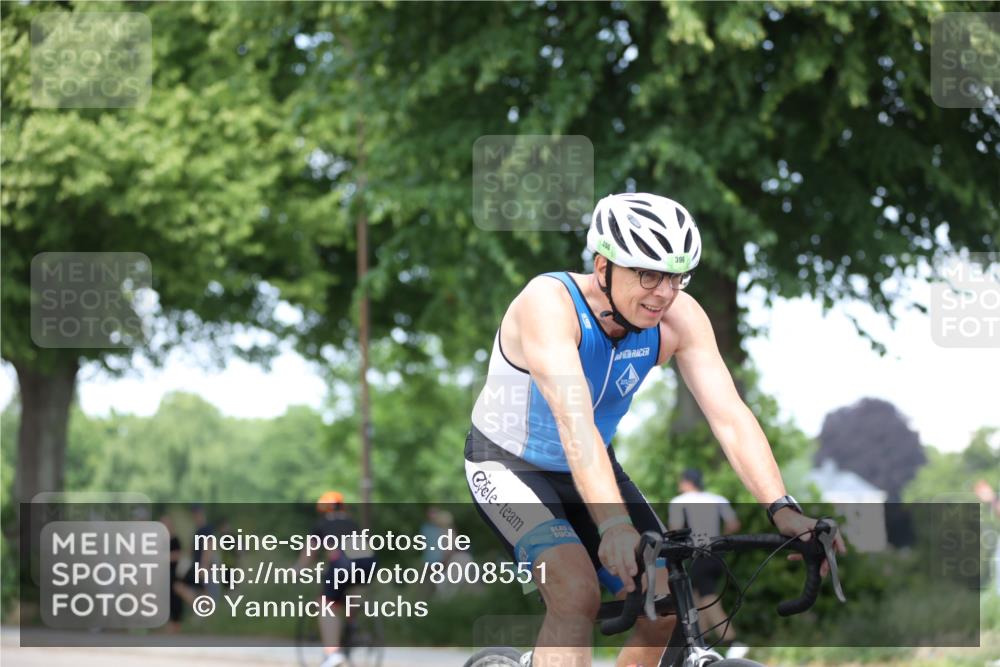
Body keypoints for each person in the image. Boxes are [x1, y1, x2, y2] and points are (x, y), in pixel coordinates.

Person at [464, 192, 846, 667]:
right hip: (508, 465)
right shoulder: (548, 305)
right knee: (575, 591)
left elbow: (729, 415)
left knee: (666, 602)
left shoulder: (678, 318)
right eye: (648, 274)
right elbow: (574, 419)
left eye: (676, 276)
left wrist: (782, 509)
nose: (664, 292)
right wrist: (615, 525)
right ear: (602, 266)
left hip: (593, 463)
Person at [668, 468, 746, 659]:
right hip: (716, 553)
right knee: (695, 600)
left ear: (687, 483)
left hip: (696, 553)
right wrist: (719, 538)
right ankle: (704, 645)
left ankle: (732, 641)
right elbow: (734, 524)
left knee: (707, 598)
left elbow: (675, 529)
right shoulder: (717, 499)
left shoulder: (679, 502)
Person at [295, 491, 361, 667]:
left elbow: (309, 552)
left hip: (342, 563)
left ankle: (332, 654)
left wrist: (297, 571)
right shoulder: (352, 523)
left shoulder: (322, 524)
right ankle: (352, 624)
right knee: (353, 585)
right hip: (367, 562)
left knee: (326, 605)